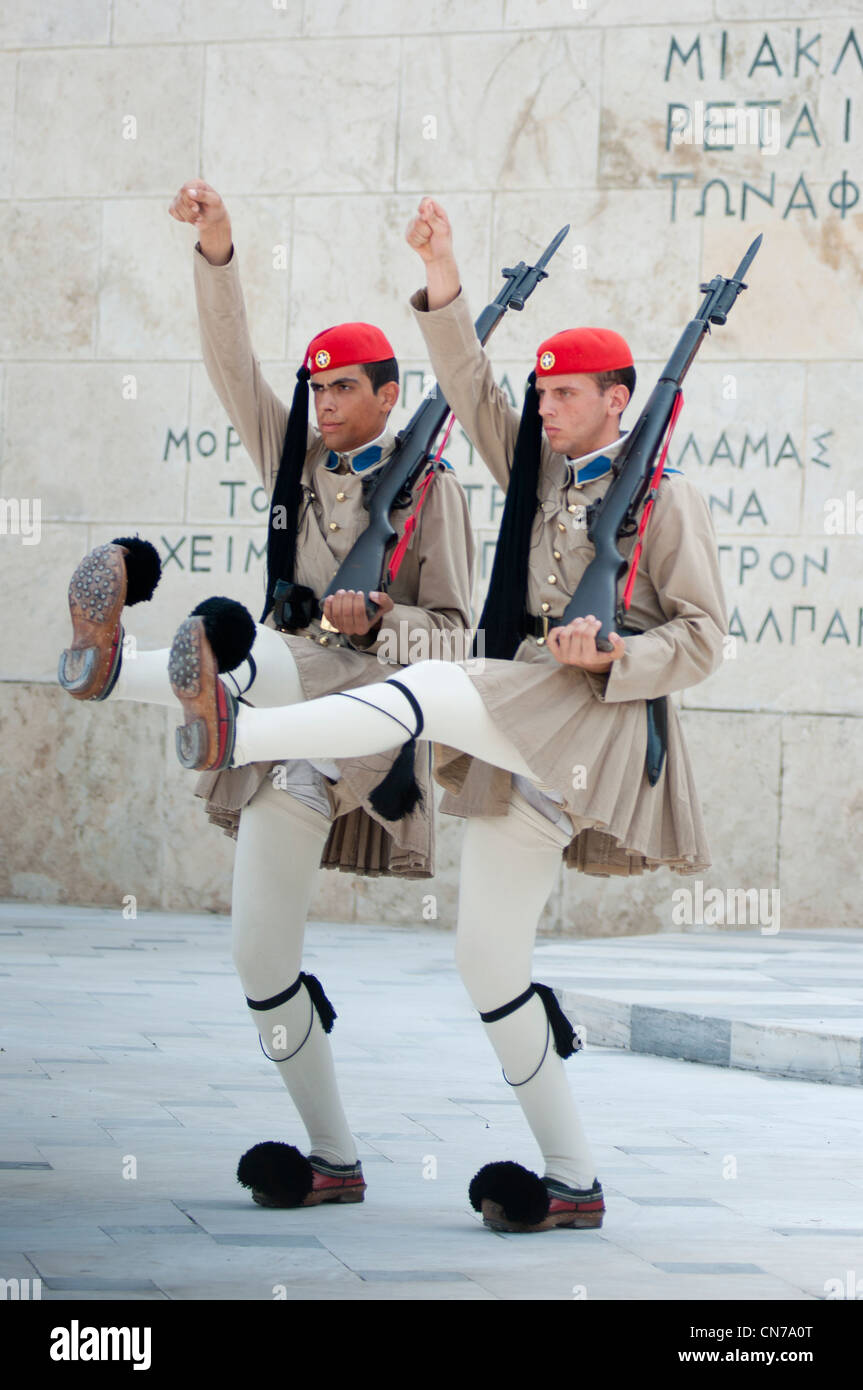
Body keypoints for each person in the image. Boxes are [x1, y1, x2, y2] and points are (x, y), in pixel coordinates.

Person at [162, 195, 729, 1234]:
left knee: (429, 688)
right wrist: (444, 275)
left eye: (563, 396)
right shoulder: (535, 476)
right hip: (526, 722)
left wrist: (614, 650)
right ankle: (570, 1181)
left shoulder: (669, 500)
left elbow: (701, 637)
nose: (542, 409)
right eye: (542, 394)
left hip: (593, 727)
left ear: (618, 402)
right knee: (484, 960)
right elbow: (467, 385)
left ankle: (237, 725)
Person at [57, 182, 475, 1212]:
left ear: (388, 394)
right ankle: (332, 1157)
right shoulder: (296, 464)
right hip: (284, 733)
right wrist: (216, 248)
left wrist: (378, 618)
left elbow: (459, 634)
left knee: (260, 661)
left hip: (364, 728)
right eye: (316, 388)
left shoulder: (437, 492)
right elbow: (229, 366)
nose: (323, 405)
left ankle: (122, 669)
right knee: (257, 957)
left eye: (343, 389)